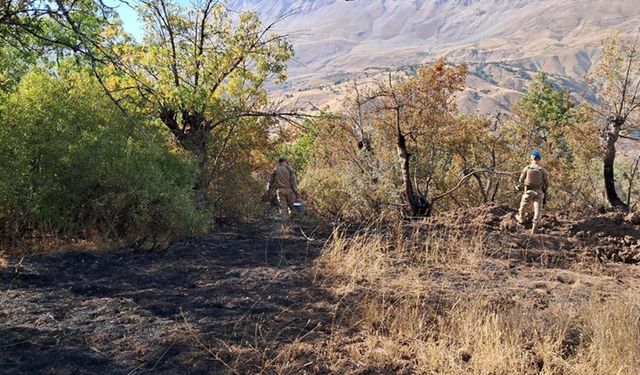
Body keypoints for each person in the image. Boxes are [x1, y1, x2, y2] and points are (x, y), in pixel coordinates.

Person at [515, 150, 549, 234]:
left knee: (522, 207)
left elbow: (520, 180)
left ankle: (521, 219)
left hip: (528, 191)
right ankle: (534, 227)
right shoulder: (542, 170)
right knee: (538, 210)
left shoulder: (527, 168)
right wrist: (544, 189)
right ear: (539, 159)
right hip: (539, 192)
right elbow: (547, 183)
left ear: (532, 158)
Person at [267, 157, 300, 226]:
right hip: (289, 191)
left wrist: (269, 190)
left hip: (280, 191)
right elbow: (293, 182)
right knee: (293, 207)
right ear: (285, 161)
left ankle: (285, 225)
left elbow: (271, 181)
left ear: (279, 162)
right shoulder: (289, 169)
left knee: (283, 209)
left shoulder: (275, 169)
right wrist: (296, 192)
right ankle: (291, 223)